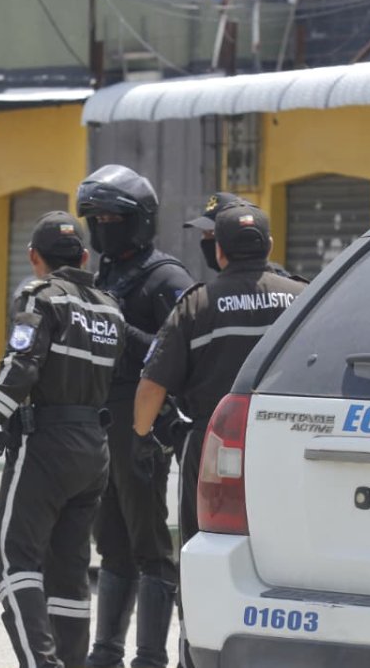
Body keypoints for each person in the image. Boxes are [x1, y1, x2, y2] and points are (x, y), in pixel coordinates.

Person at [133, 199, 307, 667]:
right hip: (291, 455)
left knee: (205, 555)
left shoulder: (198, 304)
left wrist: (143, 432)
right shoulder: (303, 298)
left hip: (213, 457)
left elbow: (152, 385)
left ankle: (197, 651)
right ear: (269, 245)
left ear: (221, 252)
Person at [0, 211, 124, 668]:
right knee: (70, 576)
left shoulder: (40, 299)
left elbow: (21, 366)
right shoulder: (110, 308)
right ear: (85, 256)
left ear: (35, 257)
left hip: (45, 446)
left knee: (14, 564)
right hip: (95, 449)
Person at [77, 165, 194, 668]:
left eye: (111, 216)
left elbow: (183, 360)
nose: (102, 225)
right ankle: (105, 651)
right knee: (112, 541)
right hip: (102, 423)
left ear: (139, 219)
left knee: (149, 543)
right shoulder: (104, 274)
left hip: (141, 422)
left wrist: (126, 333)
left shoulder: (166, 278)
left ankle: (150, 657)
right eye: (94, 217)